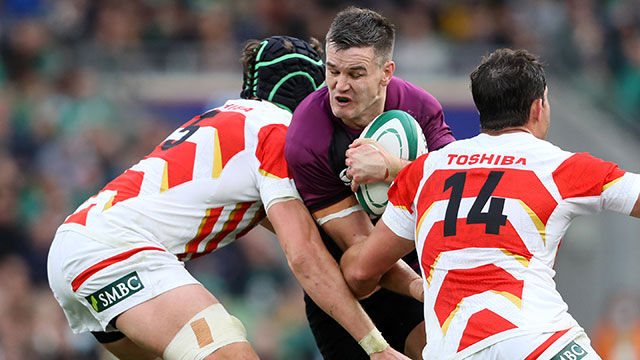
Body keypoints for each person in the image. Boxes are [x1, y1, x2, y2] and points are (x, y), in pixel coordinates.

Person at [47, 35, 409, 360]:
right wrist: (376, 347)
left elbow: (309, 232)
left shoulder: (227, 118)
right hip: (115, 252)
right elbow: (305, 255)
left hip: (79, 245)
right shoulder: (279, 132)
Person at [340, 48, 640, 360]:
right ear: (539, 106)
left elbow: (361, 273)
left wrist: (341, 237)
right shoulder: (562, 167)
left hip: (453, 352)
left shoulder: (423, 172)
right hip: (534, 341)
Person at [285, 6, 456, 360]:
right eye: (332, 71)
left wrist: (393, 168)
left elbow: (460, 187)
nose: (339, 85)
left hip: (410, 259)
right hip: (343, 288)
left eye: (355, 73)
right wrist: (421, 288)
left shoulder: (421, 108)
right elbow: (360, 262)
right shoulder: (308, 137)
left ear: (385, 72)